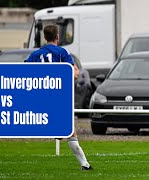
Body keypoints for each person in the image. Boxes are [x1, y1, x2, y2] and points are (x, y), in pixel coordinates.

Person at [25, 24, 93, 170]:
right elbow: (73, 73)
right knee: (69, 131)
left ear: (44, 37)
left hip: (41, 96)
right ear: (57, 37)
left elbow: (25, 72)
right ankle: (83, 163)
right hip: (58, 96)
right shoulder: (62, 52)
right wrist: (72, 74)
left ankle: (84, 164)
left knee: (64, 128)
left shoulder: (36, 54)